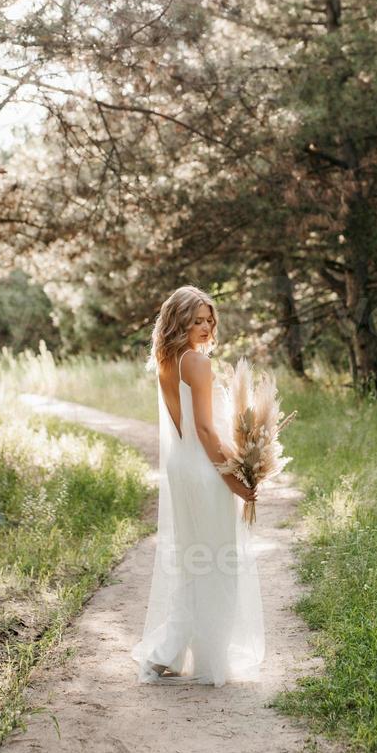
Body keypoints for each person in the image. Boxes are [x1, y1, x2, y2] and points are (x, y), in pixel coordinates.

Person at [130, 285, 265, 686]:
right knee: (218, 562)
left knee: (194, 562)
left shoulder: (167, 360)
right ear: (179, 322)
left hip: (181, 468)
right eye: (197, 321)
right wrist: (236, 478)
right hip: (205, 471)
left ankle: (168, 651)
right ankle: (209, 661)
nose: (206, 327)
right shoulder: (198, 364)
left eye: (209, 320)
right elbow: (206, 430)